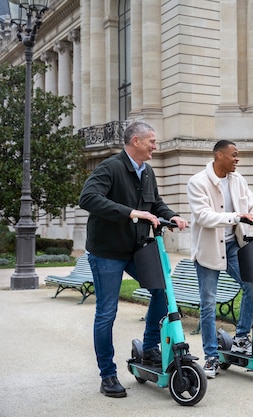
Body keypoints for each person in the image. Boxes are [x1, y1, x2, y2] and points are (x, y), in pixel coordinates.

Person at [79, 121, 189, 398]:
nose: (155, 146)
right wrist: (131, 212)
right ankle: (108, 375)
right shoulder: (111, 167)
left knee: (162, 290)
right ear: (136, 141)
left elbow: (154, 204)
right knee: (107, 313)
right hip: (107, 252)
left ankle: (150, 346)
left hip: (137, 248)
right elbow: (88, 198)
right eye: (152, 141)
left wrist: (171, 215)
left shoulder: (147, 171)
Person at [186, 140, 253, 379]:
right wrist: (236, 217)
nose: (237, 159)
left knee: (252, 284)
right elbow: (203, 216)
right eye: (234, 155)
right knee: (208, 303)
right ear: (219, 156)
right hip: (209, 249)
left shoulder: (238, 180)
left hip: (234, 246)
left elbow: (252, 205)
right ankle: (210, 356)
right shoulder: (198, 182)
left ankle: (241, 338)